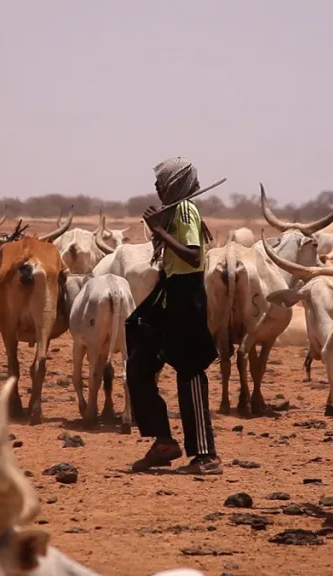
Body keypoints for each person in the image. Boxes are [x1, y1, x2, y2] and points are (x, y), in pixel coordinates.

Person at [126, 157, 221, 475]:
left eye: (160, 182)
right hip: (168, 291)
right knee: (138, 358)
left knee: (190, 369)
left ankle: (206, 455)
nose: (155, 186)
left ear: (173, 184)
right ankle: (164, 441)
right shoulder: (173, 212)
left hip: (186, 295)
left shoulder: (185, 211)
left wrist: (158, 231)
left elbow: (193, 254)